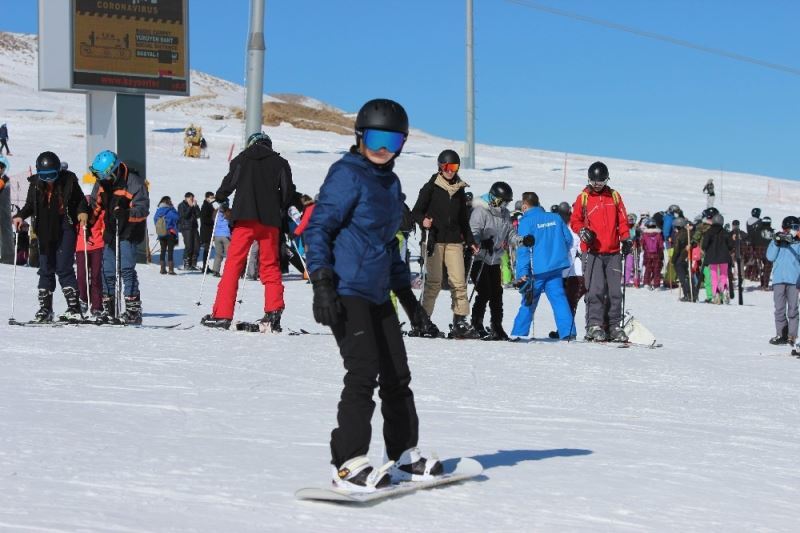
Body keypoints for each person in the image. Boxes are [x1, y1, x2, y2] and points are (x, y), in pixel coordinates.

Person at [304, 98, 441, 492]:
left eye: (393, 141)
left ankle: (402, 457)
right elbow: (318, 230)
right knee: (362, 374)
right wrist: (322, 284)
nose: (383, 149)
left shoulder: (391, 183)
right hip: (346, 291)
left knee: (398, 375)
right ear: (360, 137)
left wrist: (411, 303)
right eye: (377, 139)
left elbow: (389, 245)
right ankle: (347, 464)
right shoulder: (346, 175)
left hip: (379, 293)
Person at [200, 131, 294, 331]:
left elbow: (227, 186)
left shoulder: (241, 159)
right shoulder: (280, 162)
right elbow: (287, 193)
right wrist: (278, 207)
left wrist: (221, 197)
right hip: (269, 222)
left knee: (234, 265)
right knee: (270, 266)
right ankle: (273, 313)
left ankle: (222, 314)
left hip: (244, 219)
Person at [12, 151, 88, 322]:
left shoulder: (69, 180)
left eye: (52, 175)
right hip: (44, 229)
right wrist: (20, 216)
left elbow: (81, 201)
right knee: (45, 268)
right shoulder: (35, 184)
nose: (48, 180)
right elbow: (30, 205)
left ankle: (74, 308)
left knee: (63, 267)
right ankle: (45, 309)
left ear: (58, 171)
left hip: (65, 226)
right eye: (44, 176)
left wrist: (83, 212)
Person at [411, 149, 479, 338]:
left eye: (454, 167)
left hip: (455, 242)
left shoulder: (459, 189)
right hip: (434, 240)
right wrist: (423, 220)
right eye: (446, 167)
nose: (450, 171)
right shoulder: (431, 187)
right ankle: (422, 322)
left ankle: (460, 322)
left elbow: (463, 220)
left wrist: (471, 241)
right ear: (440, 167)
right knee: (433, 282)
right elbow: (415, 212)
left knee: (459, 283)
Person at [569, 161, 631, 342]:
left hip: (612, 252)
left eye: (600, 182)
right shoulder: (584, 197)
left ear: (606, 180)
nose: (597, 185)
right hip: (593, 251)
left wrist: (625, 239)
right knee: (595, 290)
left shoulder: (615, 196)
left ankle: (614, 325)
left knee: (614, 292)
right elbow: (575, 220)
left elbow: (623, 221)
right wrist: (582, 231)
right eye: (594, 182)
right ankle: (594, 325)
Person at [88, 149, 150, 324]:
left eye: (104, 176)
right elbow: (95, 204)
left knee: (126, 269)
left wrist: (125, 213)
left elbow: (143, 208)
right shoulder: (102, 183)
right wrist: (88, 220)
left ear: (113, 171)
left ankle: (133, 309)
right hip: (110, 229)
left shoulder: (134, 182)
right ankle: (109, 307)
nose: (102, 180)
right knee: (107, 269)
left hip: (130, 230)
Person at [511, 192, 575, 341]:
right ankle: (568, 332)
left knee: (528, 299)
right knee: (559, 300)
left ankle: (518, 333)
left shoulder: (526, 222)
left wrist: (522, 273)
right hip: (555, 268)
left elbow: (523, 250)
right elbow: (568, 239)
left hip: (536, 270)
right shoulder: (555, 217)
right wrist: (557, 253)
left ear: (525, 205)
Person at [468, 181, 515, 340]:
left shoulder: (505, 214)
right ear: (494, 198)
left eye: (507, 202)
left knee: (497, 293)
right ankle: (476, 323)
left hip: (495, 259)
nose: (504, 205)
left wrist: (523, 240)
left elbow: (510, 235)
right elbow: (473, 233)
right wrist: (482, 242)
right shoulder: (481, 211)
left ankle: (497, 326)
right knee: (484, 291)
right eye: (503, 201)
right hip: (479, 258)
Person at [766, 216, 800, 345]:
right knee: (779, 309)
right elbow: (770, 256)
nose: (789, 232)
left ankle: (792, 335)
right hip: (779, 280)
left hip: (794, 279)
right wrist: (776, 242)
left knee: (793, 310)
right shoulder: (778, 241)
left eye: (794, 228)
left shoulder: (798, 243)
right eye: (787, 229)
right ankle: (781, 334)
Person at [76, 194, 105, 316]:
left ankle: (97, 305)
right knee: (82, 276)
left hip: (97, 245)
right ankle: (83, 299)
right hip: (81, 247)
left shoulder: (100, 212)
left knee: (96, 276)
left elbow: (104, 226)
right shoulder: (78, 212)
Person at [701, 213, 733, 304]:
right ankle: (723, 287)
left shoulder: (709, 232)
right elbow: (730, 245)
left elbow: (704, 245)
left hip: (712, 257)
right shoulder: (725, 232)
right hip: (724, 257)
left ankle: (716, 294)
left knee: (713, 277)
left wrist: (707, 249)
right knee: (723, 275)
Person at [153, 196, 179, 275]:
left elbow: (155, 220)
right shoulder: (170, 210)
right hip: (170, 233)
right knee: (170, 251)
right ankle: (171, 270)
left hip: (161, 233)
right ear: (168, 202)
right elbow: (177, 217)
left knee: (163, 251)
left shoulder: (158, 211)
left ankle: (162, 269)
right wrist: (173, 208)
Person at [178, 192, 200, 270]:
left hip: (194, 227)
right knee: (189, 246)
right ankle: (187, 263)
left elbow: (198, 215)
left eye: (193, 198)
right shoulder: (181, 205)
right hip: (186, 228)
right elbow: (185, 216)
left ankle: (193, 264)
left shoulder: (193, 206)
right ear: (186, 198)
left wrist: (196, 206)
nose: (192, 200)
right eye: (191, 198)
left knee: (197, 246)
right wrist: (190, 207)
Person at [640, 218, 664, 290]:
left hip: (647, 254)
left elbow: (642, 244)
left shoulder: (644, 234)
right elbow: (661, 245)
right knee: (657, 269)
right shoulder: (658, 234)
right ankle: (656, 285)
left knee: (648, 269)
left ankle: (646, 283)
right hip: (657, 254)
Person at [211, 205, 232, 276]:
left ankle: (215, 270)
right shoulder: (228, 213)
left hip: (217, 235)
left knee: (218, 254)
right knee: (229, 255)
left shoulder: (216, 213)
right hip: (226, 236)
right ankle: (228, 271)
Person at [0, 155, 13, 264]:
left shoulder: (5, 180)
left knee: (6, 234)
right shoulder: (4, 180)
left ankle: (8, 258)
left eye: (2, 166)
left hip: (4, 212)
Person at [199, 191, 216, 271]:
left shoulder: (209, 205)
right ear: (207, 198)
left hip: (208, 230)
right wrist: (213, 221)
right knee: (206, 249)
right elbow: (204, 219)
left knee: (208, 249)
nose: (213, 199)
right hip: (206, 231)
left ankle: (206, 266)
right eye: (211, 197)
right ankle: (205, 267)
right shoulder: (205, 206)